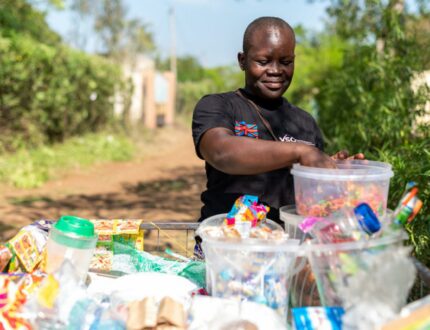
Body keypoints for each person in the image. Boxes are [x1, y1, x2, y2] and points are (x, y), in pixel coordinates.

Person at [192, 16, 363, 224]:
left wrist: (333, 172)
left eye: (286, 62)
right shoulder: (218, 106)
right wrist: (301, 152)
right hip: (224, 245)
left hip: (284, 246)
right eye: (263, 62)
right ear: (242, 61)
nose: (275, 71)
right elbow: (221, 152)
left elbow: (312, 201)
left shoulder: (305, 122)